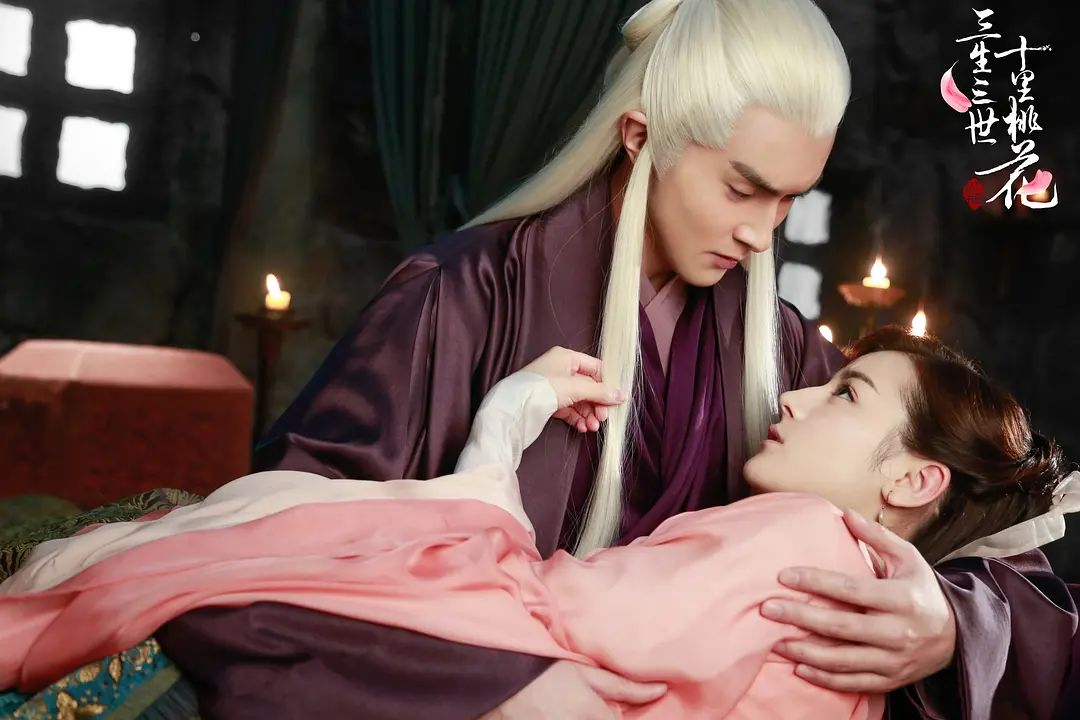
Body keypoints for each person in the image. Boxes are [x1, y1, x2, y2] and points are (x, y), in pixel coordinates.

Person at [154, 0, 1075, 717]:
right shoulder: (459, 300)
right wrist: (503, 688)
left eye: (790, 202)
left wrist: (948, 627)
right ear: (641, 137)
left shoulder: (787, 352)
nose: (763, 236)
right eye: (742, 189)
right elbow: (275, 553)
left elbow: (989, 532)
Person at [3, 331, 1076, 720]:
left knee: (256, 589)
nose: (794, 396)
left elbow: (572, 620)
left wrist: (494, 454)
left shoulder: (798, 534)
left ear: (916, 478)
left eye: (845, 395)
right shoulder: (863, 617)